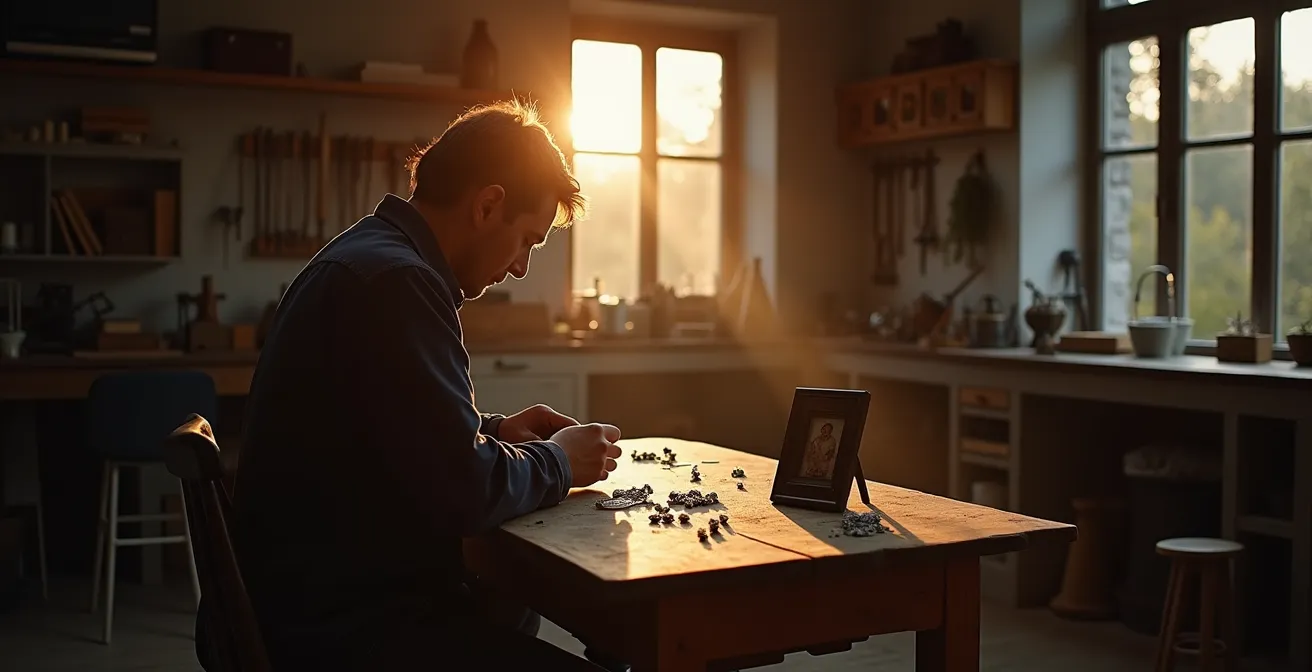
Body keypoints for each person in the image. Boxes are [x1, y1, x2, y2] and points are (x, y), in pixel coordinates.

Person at [209, 100, 626, 671]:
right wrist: (557, 461)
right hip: (345, 630)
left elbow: (377, 431)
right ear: (488, 204)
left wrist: (494, 430)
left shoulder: (368, 256)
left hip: (311, 601)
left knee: (510, 608)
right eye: (527, 240)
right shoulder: (398, 284)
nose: (523, 267)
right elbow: (463, 492)